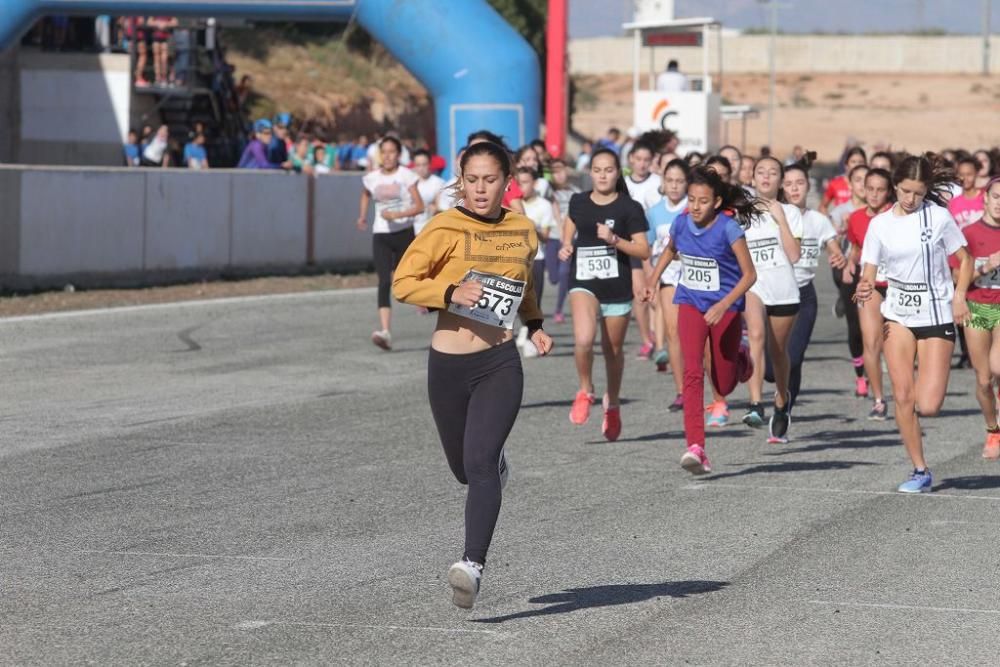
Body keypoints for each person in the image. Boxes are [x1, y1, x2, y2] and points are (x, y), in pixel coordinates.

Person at [391, 140, 553, 609]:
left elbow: (523, 286)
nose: (481, 189)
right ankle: (495, 467)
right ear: (461, 181)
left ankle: (471, 566)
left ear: (507, 182)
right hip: (447, 366)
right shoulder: (443, 227)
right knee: (465, 470)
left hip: (499, 362)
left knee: (479, 463)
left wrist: (536, 324)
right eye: (472, 180)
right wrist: (449, 292)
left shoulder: (524, 230)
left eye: (490, 180)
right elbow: (403, 282)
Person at [855, 153, 972, 493]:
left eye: (918, 193)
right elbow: (869, 273)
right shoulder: (880, 225)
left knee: (929, 405)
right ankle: (920, 469)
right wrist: (864, 286)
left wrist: (960, 294)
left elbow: (965, 260)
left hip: (935, 315)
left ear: (926, 191)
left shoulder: (937, 217)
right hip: (898, 315)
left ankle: (926, 382)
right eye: (905, 191)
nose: (911, 199)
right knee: (903, 396)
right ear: (895, 186)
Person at [644, 166, 758, 474]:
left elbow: (750, 275)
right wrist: (653, 280)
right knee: (693, 371)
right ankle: (696, 447)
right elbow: (670, 251)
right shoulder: (681, 223)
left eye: (702, 201)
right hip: (691, 302)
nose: (695, 207)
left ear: (717, 202)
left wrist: (723, 305)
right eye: (691, 200)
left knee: (723, 380)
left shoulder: (728, 228)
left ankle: (741, 359)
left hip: (725, 308)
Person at [559, 148, 650, 441]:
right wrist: (565, 244)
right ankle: (585, 390)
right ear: (590, 173)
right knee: (584, 340)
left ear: (618, 172)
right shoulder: (579, 201)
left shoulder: (629, 208)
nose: (602, 175)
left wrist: (614, 239)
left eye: (608, 170)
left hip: (617, 284)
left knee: (612, 351)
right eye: (597, 170)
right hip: (584, 280)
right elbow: (570, 223)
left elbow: (643, 249)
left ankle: (613, 401)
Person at [765, 156, 847, 411]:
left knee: (795, 356)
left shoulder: (818, 221)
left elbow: (833, 248)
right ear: (781, 187)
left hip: (803, 295)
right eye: (788, 183)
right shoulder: (771, 217)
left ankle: (784, 410)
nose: (794, 188)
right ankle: (771, 387)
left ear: (808, 187)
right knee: (769, 369)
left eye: (800, 182)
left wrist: (838, 256)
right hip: (774, 293)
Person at [741, 156, 802, 444]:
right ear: (752, 178)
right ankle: (755, 404)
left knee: (778, 353)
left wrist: (780, 218)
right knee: (755, 334)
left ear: (780, 181)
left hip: (784, 289)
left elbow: (794, 255)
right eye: (760, 172)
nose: (766, 177)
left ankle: (781, 398)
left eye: (773, 172)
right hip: (754, 286)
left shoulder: (791, 212)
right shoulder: (742, 213)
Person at [357, 136, 425, 350]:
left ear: (398, 154)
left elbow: (420, 206)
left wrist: (399, 214)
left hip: (404, 233)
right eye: (383, 152)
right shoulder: (372, 177)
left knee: (404, 280)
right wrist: (362, 216)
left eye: (391, 152)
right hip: (381, 235)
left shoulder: (406, 175)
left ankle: (428, 301)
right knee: (384, 281)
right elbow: (366, 195)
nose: (387, 156)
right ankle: (385, 331)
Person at [844, 168, 893, 419]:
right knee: (871, 342)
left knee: (898, 345)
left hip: (897, 285)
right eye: (869, 188)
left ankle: (908, 392)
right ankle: (878, 400)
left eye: (880, 189)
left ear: (888, 191)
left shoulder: (898, 215)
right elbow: (856, 247)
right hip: (869, 284)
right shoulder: (855, 218)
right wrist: (849, 263)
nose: (874, 194)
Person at [957, 177, 1000, 458]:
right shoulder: (969, 233)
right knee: (984, 380)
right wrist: (987, 265)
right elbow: (956, 278)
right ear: (985, 198)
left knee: (999, 367)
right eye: (996, 196)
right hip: (975, 308)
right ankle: (992, 430)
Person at [645, 158, 690, 403]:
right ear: (663, 181)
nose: (674, 186)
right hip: (669, 276)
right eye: (670, 180)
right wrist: (649, 279)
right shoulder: (654, 212)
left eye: (679, 181)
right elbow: (647, 247)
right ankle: (682, 390)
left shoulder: (693, 208)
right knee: (673, 332)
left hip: (694, 276)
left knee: (695, 335)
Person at [829, 164, 870, 396]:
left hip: (875, 274)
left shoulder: (883, 211)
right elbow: (831, 242)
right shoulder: (840, 211)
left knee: (874, 325)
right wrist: (841, 229)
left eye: (867, 180)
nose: (863, 185)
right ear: (850, 184)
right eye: (858, 180)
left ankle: (875, 363)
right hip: (849, 271)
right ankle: (860, 375)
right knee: (855, 325)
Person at [515, 167, 557, 359]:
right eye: (519, 182)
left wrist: (532, 227)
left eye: (526, 182)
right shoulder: (510, 203)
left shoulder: (544, 205)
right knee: (515, 299)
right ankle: (521, 332)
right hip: (515, 259)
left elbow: (547, 237)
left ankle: (532, 334)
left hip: (537, 257)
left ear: (535, 183)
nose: (522, 186)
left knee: (534, 300)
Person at [626, 142, 663, 360]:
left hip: (654, 246)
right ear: (631, 159)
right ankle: (647, 340)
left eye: (646, 160)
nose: (641, 164)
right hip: (630, 244)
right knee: (639, 294)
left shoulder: (657, 183)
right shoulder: (622, 183)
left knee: (656, 296)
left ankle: (661, 339)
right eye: (638, 159)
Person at [549, 159, 578, 324]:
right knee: (553, 277)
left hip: (570, 239)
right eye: (555, 171)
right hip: (553, 238)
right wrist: (560, 230)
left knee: (564, 273)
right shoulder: (549, 192)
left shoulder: (575, 192)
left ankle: (558, 310)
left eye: (562, 170)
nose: (559, 174)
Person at [820, 146, 867, 215]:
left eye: (860, 162)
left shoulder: (869, 184)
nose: (857, 165)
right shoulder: (835, 183)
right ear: (846, 165)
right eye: (853, 162)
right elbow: (823, 206)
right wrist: (829, 222)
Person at [411, 149, 446, 235]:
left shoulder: (438, 182)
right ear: (414, 165)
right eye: (418, 165)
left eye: (424, 164)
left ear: (430, 164)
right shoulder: (408, 182)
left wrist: (435, 208)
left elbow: (441, 208)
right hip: (410, 228)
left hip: (429, 228)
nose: (421, 168)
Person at [949, 156, 985, 229]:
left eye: (969, 174)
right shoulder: (952, 203)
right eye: (961, 174)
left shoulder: (986, 198)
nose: (964, 178)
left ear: (976, 173)